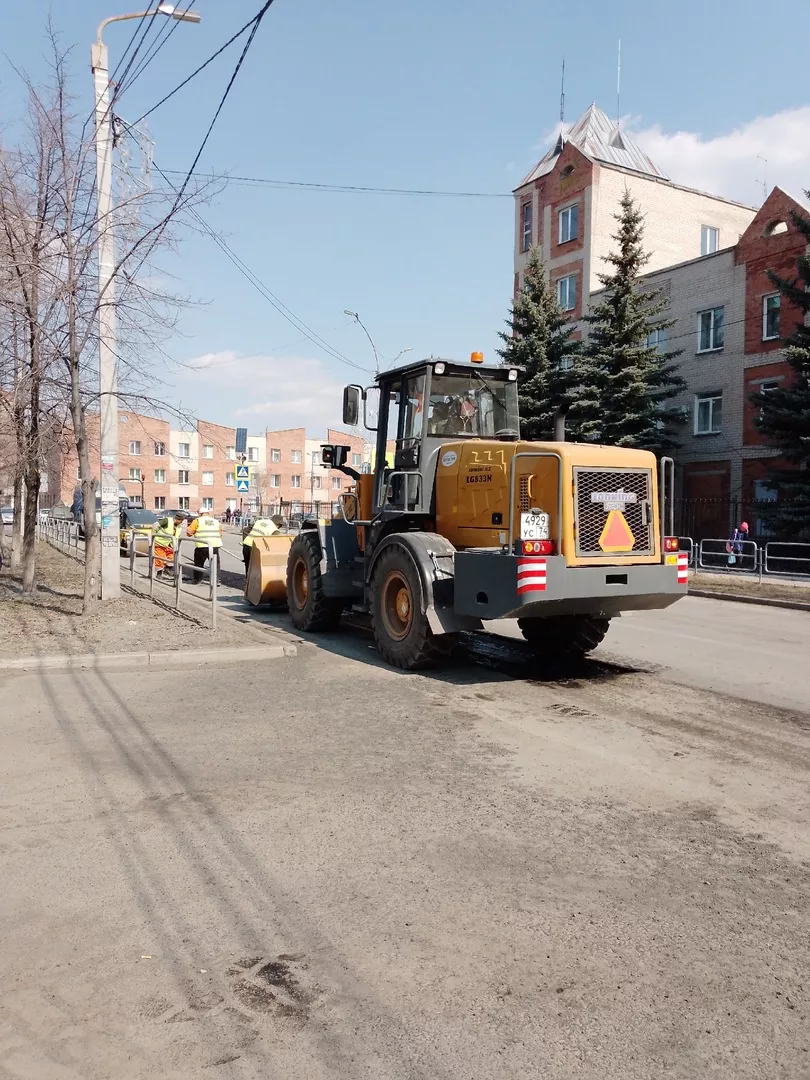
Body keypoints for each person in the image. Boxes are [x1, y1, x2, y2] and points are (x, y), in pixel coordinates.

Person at [187, 507, 223, 584]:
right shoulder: (216, 521)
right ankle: (216, 580)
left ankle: (197, 579)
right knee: (215, 564)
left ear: (201, 513)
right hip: (214, 545)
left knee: (198, 564)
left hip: (202, 545)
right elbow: (220, 534)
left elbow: (189, 533)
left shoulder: (197, 521)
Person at [153, 510, 185, 578]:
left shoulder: (179, 526)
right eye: (181, 521)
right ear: (178, 519)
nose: (182, 522)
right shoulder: (167, 520)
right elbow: (155, 525)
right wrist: (153, 535)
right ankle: (159, 573)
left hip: (170, 544)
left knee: (171, 558)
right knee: (160, 559)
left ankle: (167, 570)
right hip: (160, 542)